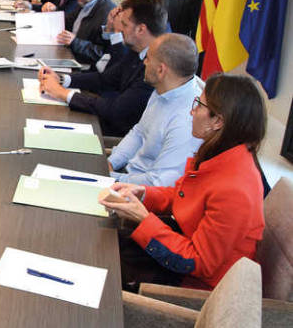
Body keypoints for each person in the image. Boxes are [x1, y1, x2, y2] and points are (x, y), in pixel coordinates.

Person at [100, 73, 267, 291]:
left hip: (194, 286)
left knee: (102, 262)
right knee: (101, 241)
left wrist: (143, 219)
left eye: (198, 104)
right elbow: (182, 195)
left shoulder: (235, 189)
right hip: (179, 243)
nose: (192, 111)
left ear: (217, 121)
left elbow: (197, 262)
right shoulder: (220, 155)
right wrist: (144, 193)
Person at [38, 0, 167, 136]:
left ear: (141, 29)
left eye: (124, 25)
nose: (119, 29)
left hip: (115, 134)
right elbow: (104, 79)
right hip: (105, 120)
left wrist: (62, 93)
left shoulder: (156, 66)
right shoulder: (137, 51)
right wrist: (62, 79)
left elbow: (116, 110)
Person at [108, 33, 203, 186]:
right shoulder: (164, 88)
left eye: (148, 58)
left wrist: (112, 178)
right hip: (126, 175)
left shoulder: (187, 120)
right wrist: (111, 162)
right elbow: (139, 132)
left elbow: (158, 182)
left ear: (161, 70)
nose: (144, 62)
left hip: (139, 192)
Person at [56, 0, 116, 64]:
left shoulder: (108, 13)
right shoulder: (84, 2)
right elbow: (67, 21)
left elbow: (103, 54)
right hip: (69, 55)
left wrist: (75, 42)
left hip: (83, 67)